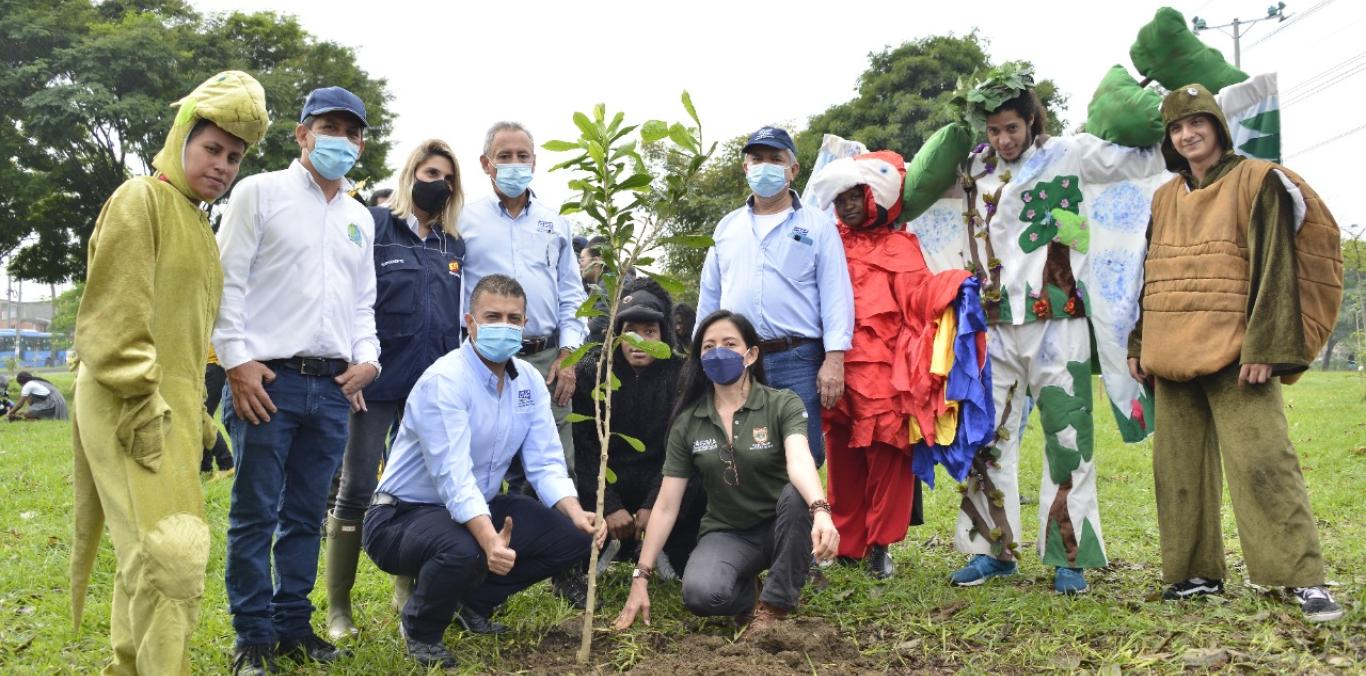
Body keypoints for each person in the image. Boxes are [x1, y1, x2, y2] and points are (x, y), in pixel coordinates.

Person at [907, 65, 1168, 594]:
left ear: (1031, 120)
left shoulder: (1069, 154)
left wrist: (1183, 139)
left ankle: (1069, 556)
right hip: (993, 324)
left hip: (1059, 319)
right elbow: (916, 201)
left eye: (1012, 128)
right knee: (987, 436)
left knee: (1068, 436)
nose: (1003, 139)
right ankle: (992, 550)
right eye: (994, 130)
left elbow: (1138, 162)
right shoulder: (974, 169)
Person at [67, 71, 269, 675]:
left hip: (174, 404)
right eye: (212, 149)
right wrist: (140, 397)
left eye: (233, 157)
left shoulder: (196, 220)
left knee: (151, 558)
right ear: (182, 138)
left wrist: (199, 415)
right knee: (169, 558)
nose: (223, 165)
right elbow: (113, 318)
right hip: (129, 400)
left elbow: (181, 334)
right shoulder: (141, 199)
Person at [1127, 84, 1344, 622]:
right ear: (1170, 140)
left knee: (1264, 462)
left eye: (1197, 122)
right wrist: (1139, 342)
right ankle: (1194, 573)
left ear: (1219, 127)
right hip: (1172, 349)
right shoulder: (1163, 196)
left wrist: (1266, 344)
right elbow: (1152, 271)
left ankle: (1301, 579)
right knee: (1177, 470)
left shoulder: (1257, 180)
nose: (1187, 134)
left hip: (1238, 351)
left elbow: (1275, 264)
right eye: (1177, 128)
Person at [213, 85, 380, 674]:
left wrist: (370, 359)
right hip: (268, 382)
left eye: (351, 131)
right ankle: (252, 635)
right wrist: (235, 361)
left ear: (361, 143)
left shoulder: (360, 217)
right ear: (302, 133)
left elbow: (363, 307)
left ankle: (291, 623)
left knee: (308, 512)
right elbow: (226, 283)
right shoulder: (259, 194)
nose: (341, 140)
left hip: (334, 388)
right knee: (256, 511)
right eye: (328, 127)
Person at [361, 274, 600, 668]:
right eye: (492, 317)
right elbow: (453, 478)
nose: (503, 326)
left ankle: (471, 603)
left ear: (525, 325)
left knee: (572, 537)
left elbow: (545, 462)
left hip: (477, 507)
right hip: (401, 516)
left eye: (513, 318)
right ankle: (421, 628)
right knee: (465, 548)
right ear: (470, 323)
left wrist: (577, 512)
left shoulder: (529, 385)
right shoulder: (446, 381)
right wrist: (490, 541)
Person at [806, 151, 981, 579]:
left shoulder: (902, 245)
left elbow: (918, 298)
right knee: (843, 453)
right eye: (841, 198)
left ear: (875, 197)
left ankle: (880, 545)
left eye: (855, 196)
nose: (846, 205)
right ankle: (847, 543)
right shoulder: (828, 241)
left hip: (887, 370)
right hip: (837, 365)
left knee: (887, 457)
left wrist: (954, 285)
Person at [614, 310, 840, 634]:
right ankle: (750, 597)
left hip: (784, 523)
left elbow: (800, 459)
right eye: (709, 346)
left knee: (796, 495)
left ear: (750, 355)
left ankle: (775, 607)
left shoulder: (781, 404)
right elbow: (666, 504)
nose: (718, 352)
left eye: (729, 343)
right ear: (699, 358)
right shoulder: (688, 422)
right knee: (699, 594)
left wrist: (820, 510)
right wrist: (641, 574)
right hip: (729, 532)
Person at [323, 139, 467, 640]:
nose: (439, 184)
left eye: (448, 177)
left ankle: (406, 588)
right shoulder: (375, 226)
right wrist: (355, 363)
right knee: (357, 486)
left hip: (431, 387)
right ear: (410, 175)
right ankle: (338, 607)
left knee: (417, 491)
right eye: (431, 172)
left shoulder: (454, 244)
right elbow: (348, 298)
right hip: (378, 382)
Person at [696, 126, 855, 467]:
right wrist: (703, 353)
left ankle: (798, 520)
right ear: (745, 167)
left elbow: (836, 295)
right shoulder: (727, 228)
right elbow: (709, 297)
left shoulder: (817, 226)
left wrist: (835, 360)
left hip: (797, 357)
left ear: (793, 169)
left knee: (802, 453)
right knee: (741, 451)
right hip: (736, 361)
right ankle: (757, 521)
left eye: (775, 159)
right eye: (757, 159)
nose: (764, 166)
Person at [460, 121, 587, 484]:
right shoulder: (464, 220)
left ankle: (557, 539)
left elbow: (571, 294)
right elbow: (457, 292)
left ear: (534, 162)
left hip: (547, 359)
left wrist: (568, 356)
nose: (514, 164)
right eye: (504, 156)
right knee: (482, 462)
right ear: (486, 163)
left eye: (522, 156)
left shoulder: (556, 222)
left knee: (554, 465)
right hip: (484, 356)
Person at [571, 278, 705, 581]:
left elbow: (680, 450)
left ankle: (666, 547)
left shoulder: (682, 374)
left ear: (664, 333)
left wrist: (653, 506)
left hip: (663, 479)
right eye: (631, 332)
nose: (640, 342)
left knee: (701, 470)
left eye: (650, 332)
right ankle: (599, 550)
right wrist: (609, 505)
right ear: (617, 334)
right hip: (608, 478)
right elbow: (586, 447)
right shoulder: (593, 371)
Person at [200, 349, 234, 473]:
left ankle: (226, 463)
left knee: (201, 416)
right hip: (206, 366)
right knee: (203, 416)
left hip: (213, 366)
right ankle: (205, 468)